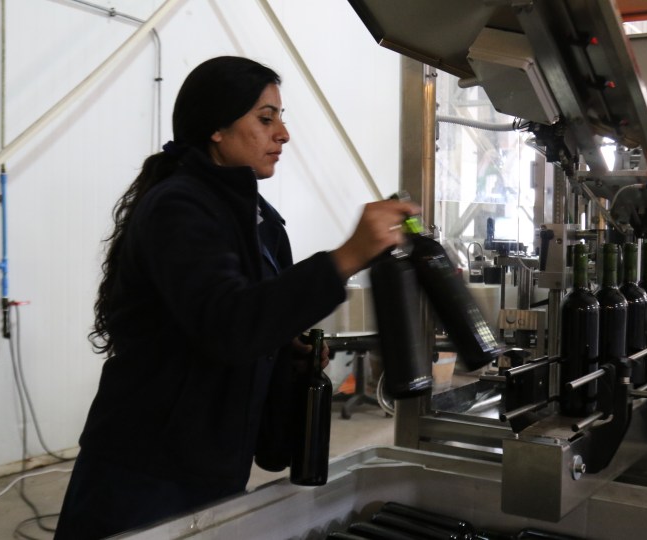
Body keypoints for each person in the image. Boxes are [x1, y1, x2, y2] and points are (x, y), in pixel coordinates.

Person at [53, 56, 417, 538]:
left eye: (281, 118)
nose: (282, 133)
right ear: (216, 129)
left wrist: (285, 347)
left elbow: (243, 314)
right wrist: (345, 257)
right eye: (266, 118)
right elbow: (228, 325)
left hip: (216, 461)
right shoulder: (178, 207)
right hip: (147, 468)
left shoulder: (261, 221)